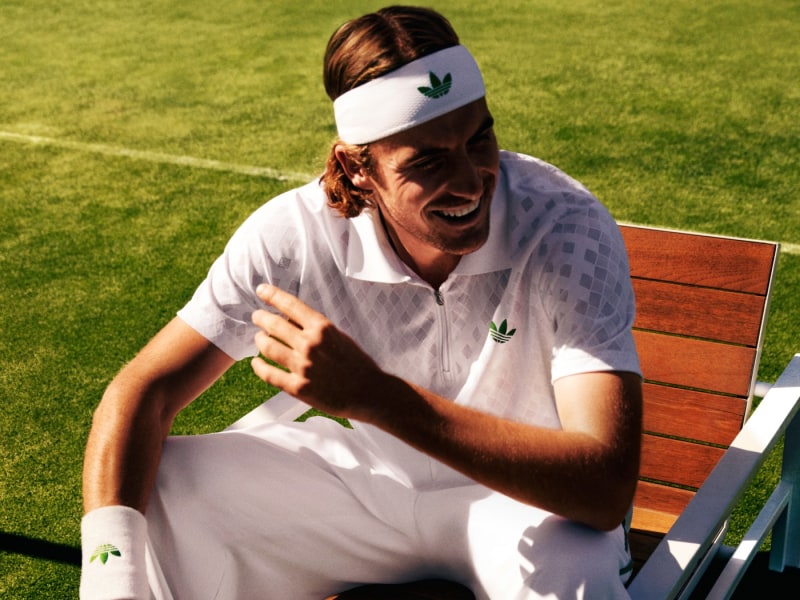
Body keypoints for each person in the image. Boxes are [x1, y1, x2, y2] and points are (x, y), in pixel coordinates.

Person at [80, 5, 643, 599]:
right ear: (358, 168)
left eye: (480, 139)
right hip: (364, 491)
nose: (473, 180)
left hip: (526, 505)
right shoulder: (293, 235)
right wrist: (110, 575)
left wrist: (374, 396)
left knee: (573, 578)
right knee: (157, 486)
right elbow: (142, 393)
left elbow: (603, 490)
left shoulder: (566, 227)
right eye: (427, 161)